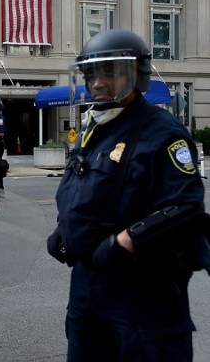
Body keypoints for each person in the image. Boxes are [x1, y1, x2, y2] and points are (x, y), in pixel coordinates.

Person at [47, 29, 210, 361]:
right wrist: (64, 231)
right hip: (88, 285)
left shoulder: (161, 133)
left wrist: (126, 241)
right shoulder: (97, 127)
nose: (97, 83)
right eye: (92, 73)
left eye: (110, 73)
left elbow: (185, 207)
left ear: (137, 75)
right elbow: (84, 189)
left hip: (143, 292)